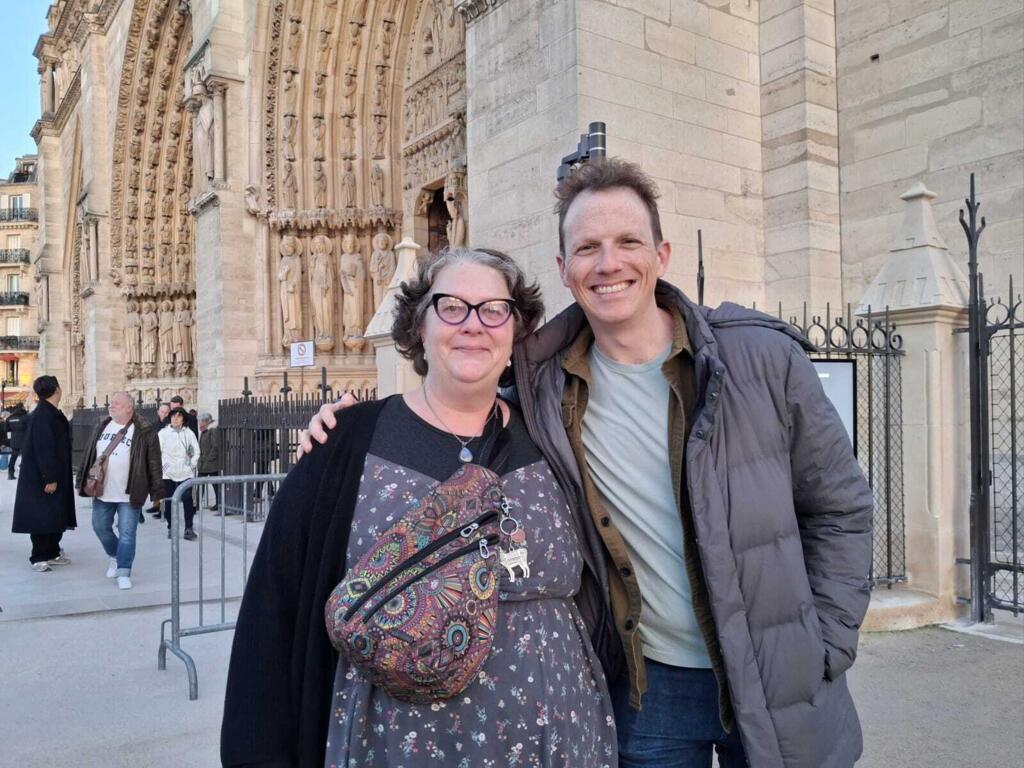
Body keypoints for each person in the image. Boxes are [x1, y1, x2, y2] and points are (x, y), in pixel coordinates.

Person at [301, 158, 875, 768]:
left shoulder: (762, 360)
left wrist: (825, 645)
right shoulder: (543, 389)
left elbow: (840, 509)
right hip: (646, 692)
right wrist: (351, 425)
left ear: (662, 254)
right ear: (564, 268)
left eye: (628, 241)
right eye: (587, 247)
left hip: (776, 677)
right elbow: (456, 404)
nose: (608, 263)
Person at [222, 248, 617, 768]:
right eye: (451, 307)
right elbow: (274, 610)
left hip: (562, 738)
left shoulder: (551, 435)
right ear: (418, 326)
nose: (473, 324)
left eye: (494, 309)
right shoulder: (346, 442)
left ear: (515, 331)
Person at [76, 391, 163, 589]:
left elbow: (154, 461)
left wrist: (157, 492)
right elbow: (89, 455)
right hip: (103, 491)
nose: (111, 405)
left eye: (116, 403)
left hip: (130, 492)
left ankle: (124, 570)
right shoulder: (102, 425)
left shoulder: (144, 430)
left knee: (127, 533)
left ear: (129, 407)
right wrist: (81, 481)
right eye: (111, 402)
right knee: (100, 527)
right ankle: (115, 555)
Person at [11, 376, 76, 572]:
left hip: (55, 473)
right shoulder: (42, 416)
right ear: (57, 390)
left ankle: (52, 551)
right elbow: (44, 449)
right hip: (44, 477)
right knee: (41, 516)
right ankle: (38, 556)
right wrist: (50, 477)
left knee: (55, 513)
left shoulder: (50, 413)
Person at [159, 406, 201, 541]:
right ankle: (171, 527)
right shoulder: (163, 433)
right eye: (173, 416)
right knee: (169, 501)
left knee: (188, 500)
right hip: (168, 474)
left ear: (183, 419)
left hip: (185, 472)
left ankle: (189, 528)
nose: (175, 418)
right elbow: (157, 452)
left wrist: (191, 465)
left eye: (179, 416)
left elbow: (195, 450)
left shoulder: (189, 433)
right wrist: (165, 467)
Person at [197, 411, 221, 512]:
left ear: (206, 421)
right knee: (200, 484)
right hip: (204, 463)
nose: (199, 423)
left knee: (215, 484)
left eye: (201, 421)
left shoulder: (213, 430)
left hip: (212, 464)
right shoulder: (204, 431)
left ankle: (219, 503)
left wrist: (209, 459)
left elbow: (215, 447)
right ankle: (197, 503)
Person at [6, 402, 27, 479]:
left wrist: (9, 439)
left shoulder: (10, 418)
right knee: (26, 456)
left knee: (13, 457)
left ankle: (10, 473)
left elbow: (7, 429)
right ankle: (25, 474)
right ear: (22, 407)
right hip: (24, 439)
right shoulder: (25, 416)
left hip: (14, 439)